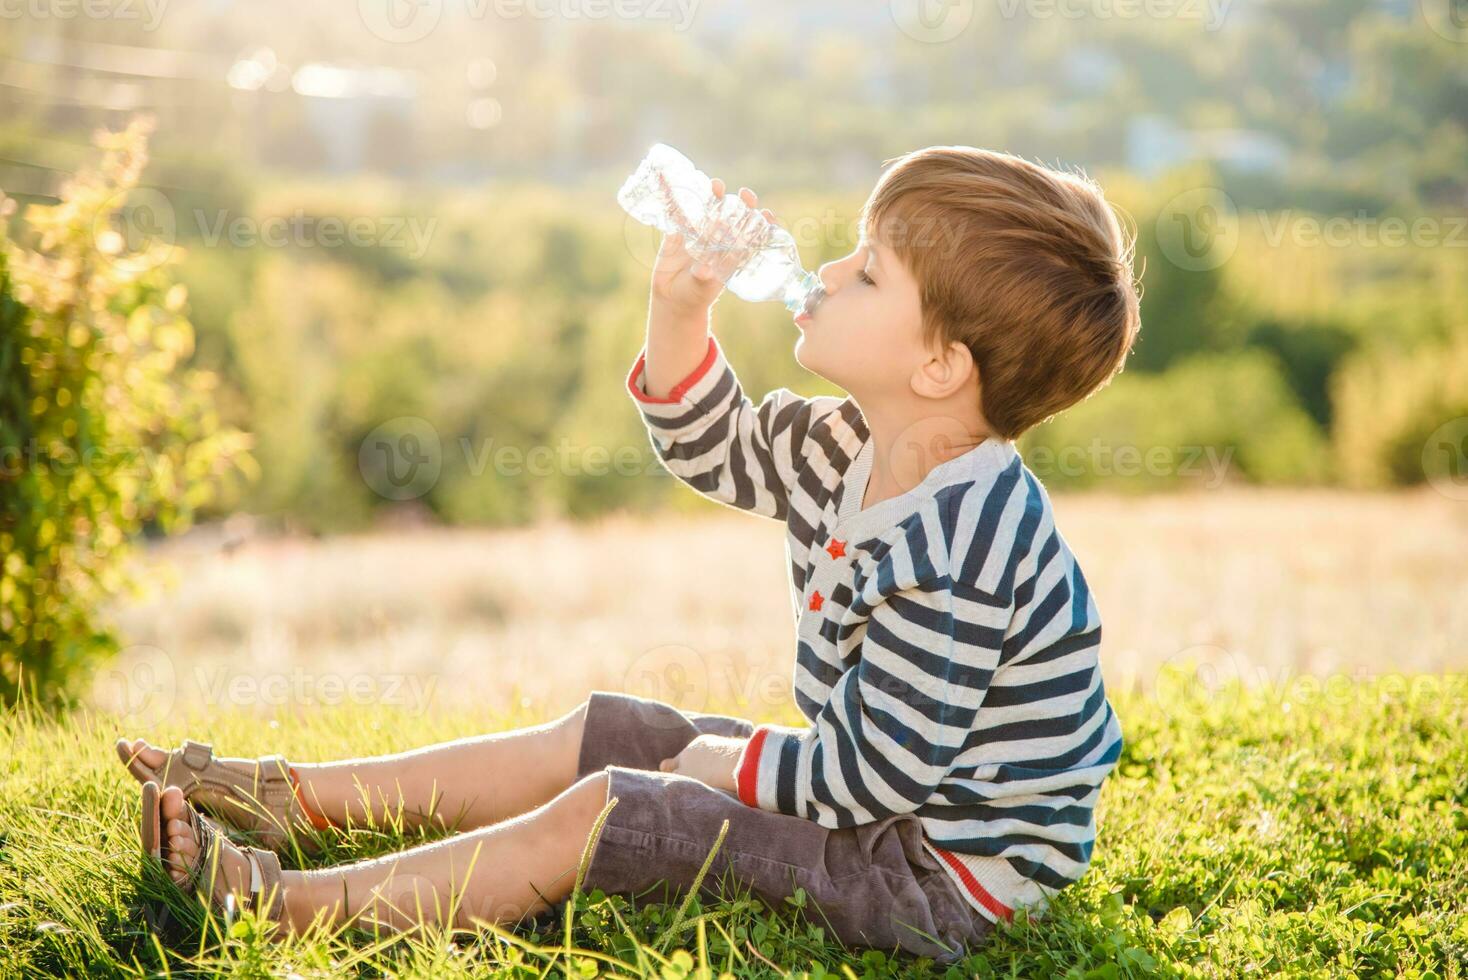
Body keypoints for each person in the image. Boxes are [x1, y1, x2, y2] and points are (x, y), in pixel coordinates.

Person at [121, 145, 1140, 963]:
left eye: (867, 271)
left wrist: (723, 765)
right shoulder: (846, 443)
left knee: (623, 806)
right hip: (882, 797)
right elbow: (712, 445)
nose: (827, 272)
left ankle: (281, 900)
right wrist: (680, 309)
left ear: (939, 364)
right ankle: (293, 795)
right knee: (614, 727)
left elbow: (871, 778)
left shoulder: (959, 542)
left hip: (935, 868)